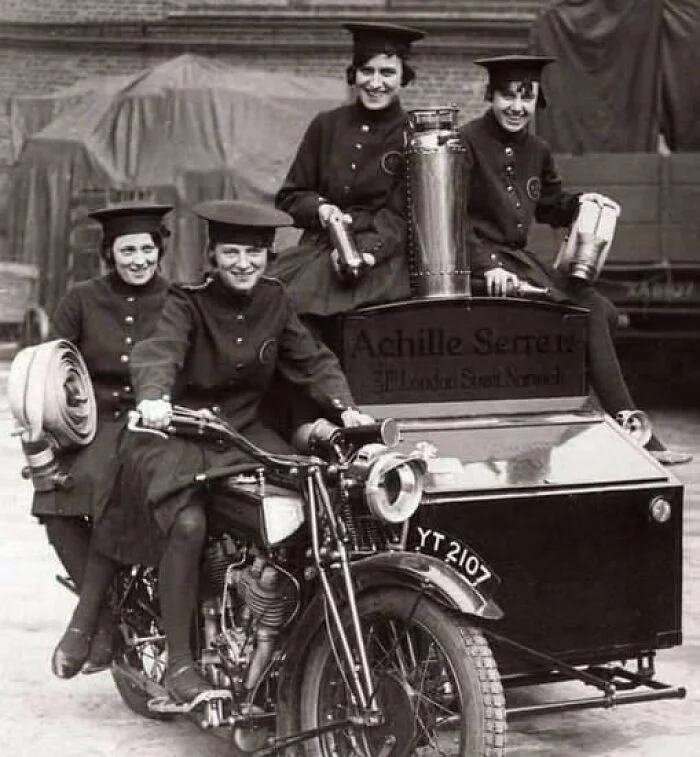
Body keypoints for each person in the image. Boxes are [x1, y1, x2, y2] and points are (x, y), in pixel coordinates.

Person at [97, 199, 373, 706]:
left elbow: (312, 361)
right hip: (181, 433)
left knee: (319, 492)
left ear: (268, 256)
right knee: (188, 525)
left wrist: (347, 410)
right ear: (213, 255)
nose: (243, 263)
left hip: (243, 432)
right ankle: (181, 664)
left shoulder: (275, 300)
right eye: (231, 252)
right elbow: (159, 351)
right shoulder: (187, 301)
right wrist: (154, 398)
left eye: (253, 253)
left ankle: (281, 620)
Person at [459, 54, 691, 466]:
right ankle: (630, 427)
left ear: (537, 101)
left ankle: (596, 422)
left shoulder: (537, 149)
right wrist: (486, 264)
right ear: (490, 95)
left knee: (605, 311)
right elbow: (450, 218)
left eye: (527, 97)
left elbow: (550, 205)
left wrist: (583, 203)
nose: (517, 107)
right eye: (508, 96)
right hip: (479, 267)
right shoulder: (466, 142)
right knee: (587, 314)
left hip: (519, 261)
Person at [45, 202, 176, 678]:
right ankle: (105, 620)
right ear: (109, 253)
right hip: (93, 426)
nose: (139, 259)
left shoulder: (179, 299)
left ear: (159, 250)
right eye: (127, 250)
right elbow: (51, 364)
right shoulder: (81, 299)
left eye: (147, 249)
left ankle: (87, 626)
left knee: (114, 492)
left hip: (155, 427)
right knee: (53, 502)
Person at [272, 20, 424, 353]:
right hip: (319, 247)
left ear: (404, 77)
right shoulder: (327, 125)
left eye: (387, 73)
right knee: (277, 305)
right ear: (354, 74)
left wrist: (366, 254)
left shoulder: (414, 135)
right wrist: (321, 209)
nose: (375, 83)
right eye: (367, 71)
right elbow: (291, 196)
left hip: (382, 257)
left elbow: (401, 217)